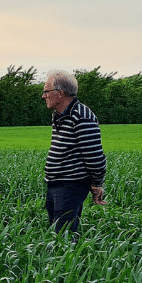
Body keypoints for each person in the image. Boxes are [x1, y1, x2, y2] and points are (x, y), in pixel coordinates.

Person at [42, 69, 107, 233]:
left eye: (46, 91)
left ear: (60, 93)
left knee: (63, 235)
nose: (43, 96)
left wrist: (97, 184)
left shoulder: (82, 116)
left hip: (70, 185)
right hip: (55, 183)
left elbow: (95, 157)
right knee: (54, 233)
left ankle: (67, 258)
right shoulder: (59, 115)